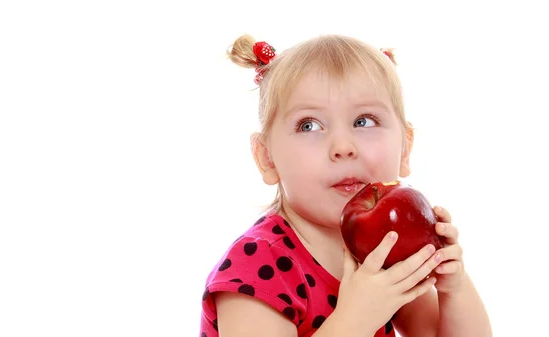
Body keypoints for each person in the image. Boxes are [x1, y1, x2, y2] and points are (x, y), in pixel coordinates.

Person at [198, 33, 492, 337]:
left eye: (364, 121)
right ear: (267, 158)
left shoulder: (382, 246)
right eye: (309, 125)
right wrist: (357, 318)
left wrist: (453, 288)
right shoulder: (255, 265)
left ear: (405, 148)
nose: (343, 146)